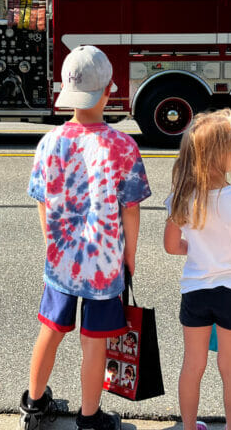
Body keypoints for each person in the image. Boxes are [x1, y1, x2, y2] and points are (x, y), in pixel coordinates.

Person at [19, 45, 152, 430]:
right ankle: (90, 417)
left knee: (51, 329)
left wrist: (52, 241)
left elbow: (42, 201)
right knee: (94, 342)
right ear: (109, 88)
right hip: (104, 261)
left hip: (61, 259)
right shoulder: (122, 146)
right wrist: (130, 257)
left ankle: (34, 404)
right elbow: (131, 209)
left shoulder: (49, 142)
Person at [164, 109, 231, 430]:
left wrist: (194, 249)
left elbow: (171, 246)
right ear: (220, 154)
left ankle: (188, 425)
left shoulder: (182, 198)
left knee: (192, 366)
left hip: (195, 292)